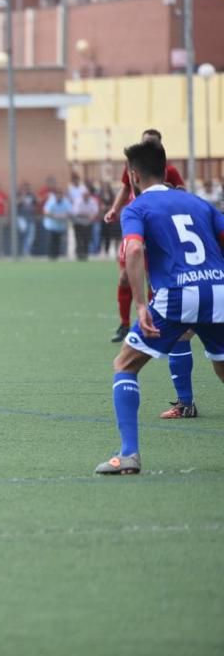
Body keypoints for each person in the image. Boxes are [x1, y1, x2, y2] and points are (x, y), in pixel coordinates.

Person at [95, 140, 224, 475]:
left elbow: (134, 251)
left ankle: (128, 455)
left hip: (177, 296)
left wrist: (141, 305)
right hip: (218, 291)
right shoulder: (198, 202)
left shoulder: (136, 209)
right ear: (166, 170)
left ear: (133, 175)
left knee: (125, 363)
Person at [104, 129, 185, 343]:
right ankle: (124, 323)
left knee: (154, 278)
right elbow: (124, 189)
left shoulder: (169, 171)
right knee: (124, 276)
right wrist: (114, 209)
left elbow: (182, 193)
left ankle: (155, 322)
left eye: (152, 144)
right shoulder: (132, 167)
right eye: (145, 143)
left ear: (160, 146)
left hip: (158, 227)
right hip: (136, 224)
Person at [42, 183, 72, 260]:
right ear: (55, 195)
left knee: (58, 242)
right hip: (51, 226)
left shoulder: (66, 202)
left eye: (60, 194)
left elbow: (70, 212)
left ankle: (56, 257)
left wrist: (63, 216)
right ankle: (50, 257)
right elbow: (46, 212)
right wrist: (55, 216)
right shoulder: (51, 201)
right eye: (57, 194)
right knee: (51, 241)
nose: (59, 196)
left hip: (60, 226)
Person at [71, 184, 99, 261]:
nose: (86, 196)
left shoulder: (92, 201)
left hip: (88, 224)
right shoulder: (78, 201)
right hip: (78, 223)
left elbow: (95, 212)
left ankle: (85, 255)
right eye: (84, 194)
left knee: (86, 239)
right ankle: (79, 255)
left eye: (87, 194)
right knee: (79, 239)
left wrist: (91, 217)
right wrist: (87, 214)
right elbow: (76, 212)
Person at [15, 182, 38, 257]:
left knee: (31, 236)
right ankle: (21, 252)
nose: (25, 189)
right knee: (24, 234)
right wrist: (22, 197)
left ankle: (26, 252)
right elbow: (15, 204)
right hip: (21, 218)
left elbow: (37, 203)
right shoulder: (18, 195)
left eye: (27, 188)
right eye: (24, 188)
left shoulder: (31, 195)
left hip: (31, 218)